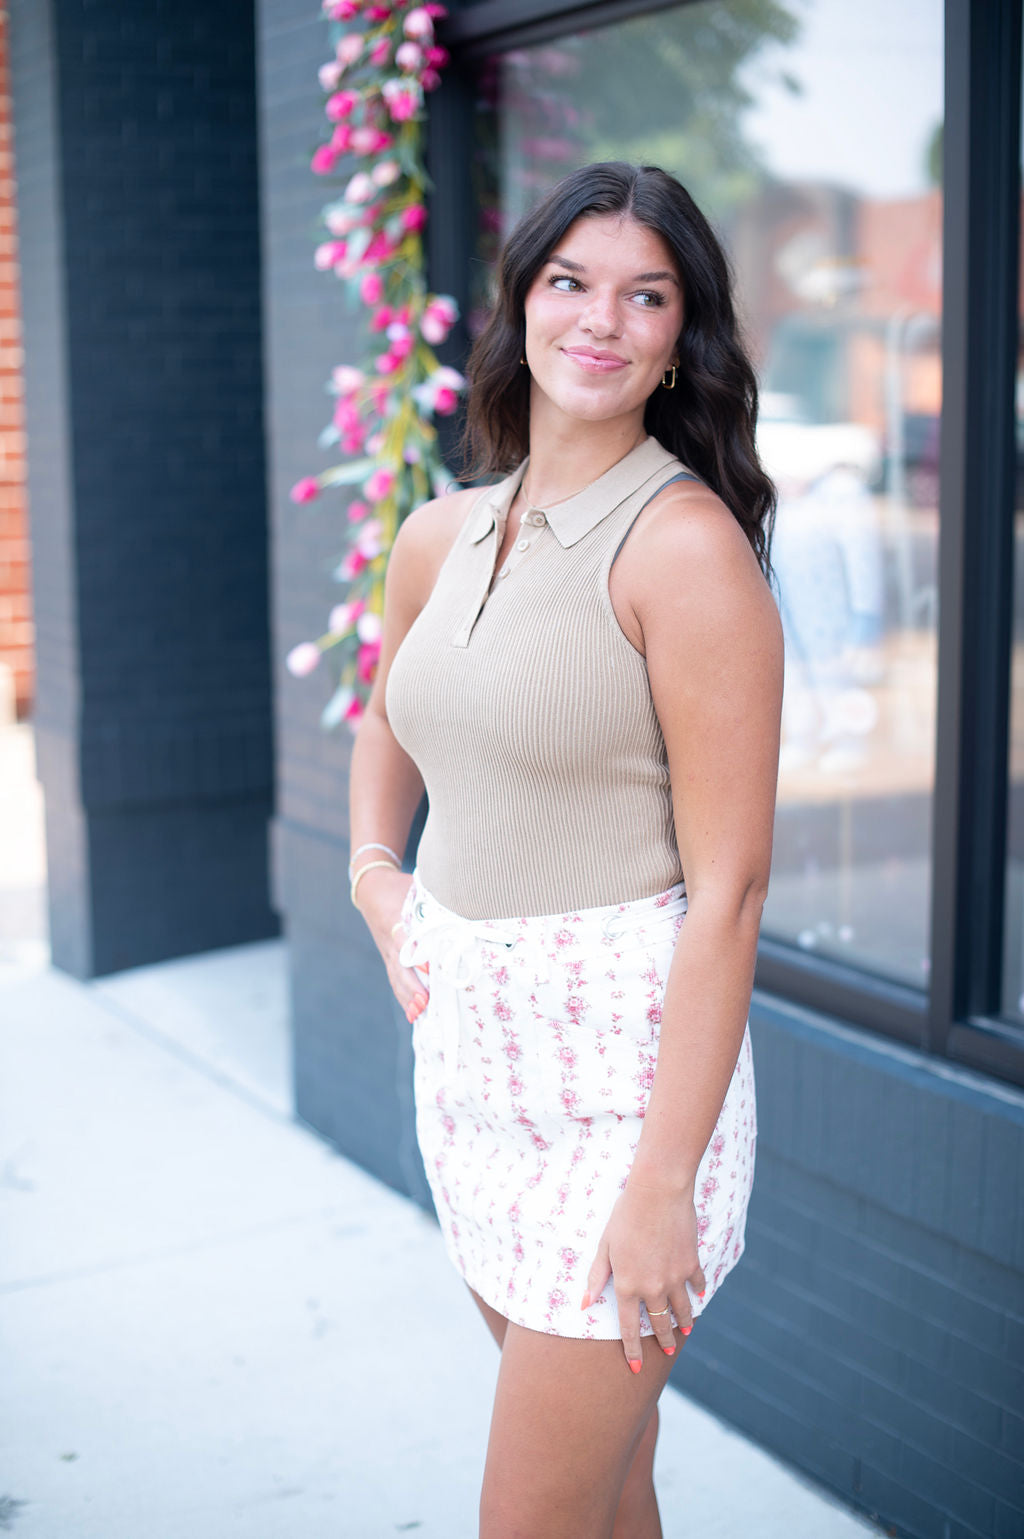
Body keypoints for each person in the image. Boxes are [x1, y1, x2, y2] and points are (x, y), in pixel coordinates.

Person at [348, 161, 783, 1539]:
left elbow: (730, 896)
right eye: (570, 282)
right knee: (614, 1486)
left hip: (627, 1101)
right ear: (521, 305)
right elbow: (388, 717)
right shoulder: (440, 532)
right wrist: (375, 877)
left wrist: (662, 1189)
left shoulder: (684, 550)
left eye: (645, 295)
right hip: (473, 1072)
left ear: (678, 342)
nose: (602, 319)